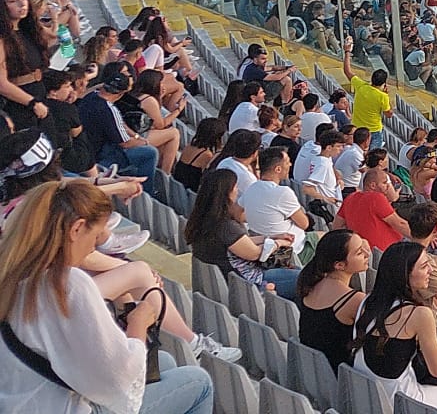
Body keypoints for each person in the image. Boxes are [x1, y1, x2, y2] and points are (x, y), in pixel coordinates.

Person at [0, 179, 217, 414]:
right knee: (200, 382)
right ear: (76, 229)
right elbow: (120, 378)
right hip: (58, 406)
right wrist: (138, 324)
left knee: (164, 362)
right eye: (95, 238)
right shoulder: (68, 284)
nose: (92, 249)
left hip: (19, 399)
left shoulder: (16, 273)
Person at [353, 240, 437, 414]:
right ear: (405, 275)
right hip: (403, 403)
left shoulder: (366, 302)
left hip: (370, 396)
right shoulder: (420, 314)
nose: (431, 271)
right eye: (424, 267)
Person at [184, 166, 302, 296]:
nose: (237, 190)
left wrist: (270, 237)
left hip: (226, 278)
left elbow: (240, 243)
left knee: (297, 271)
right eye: (235, 187)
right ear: (227, 193)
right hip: (247, 282)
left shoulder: (204, 220)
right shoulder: (226, 226)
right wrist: (279, 243)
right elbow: (254, 253)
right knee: (305, 279)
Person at [297, 229, 371, 370]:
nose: (367, 254)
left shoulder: (312, 285)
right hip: (339, 374)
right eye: (359, 252)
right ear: (339, 265)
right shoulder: (355, 300)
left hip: (312, 369)